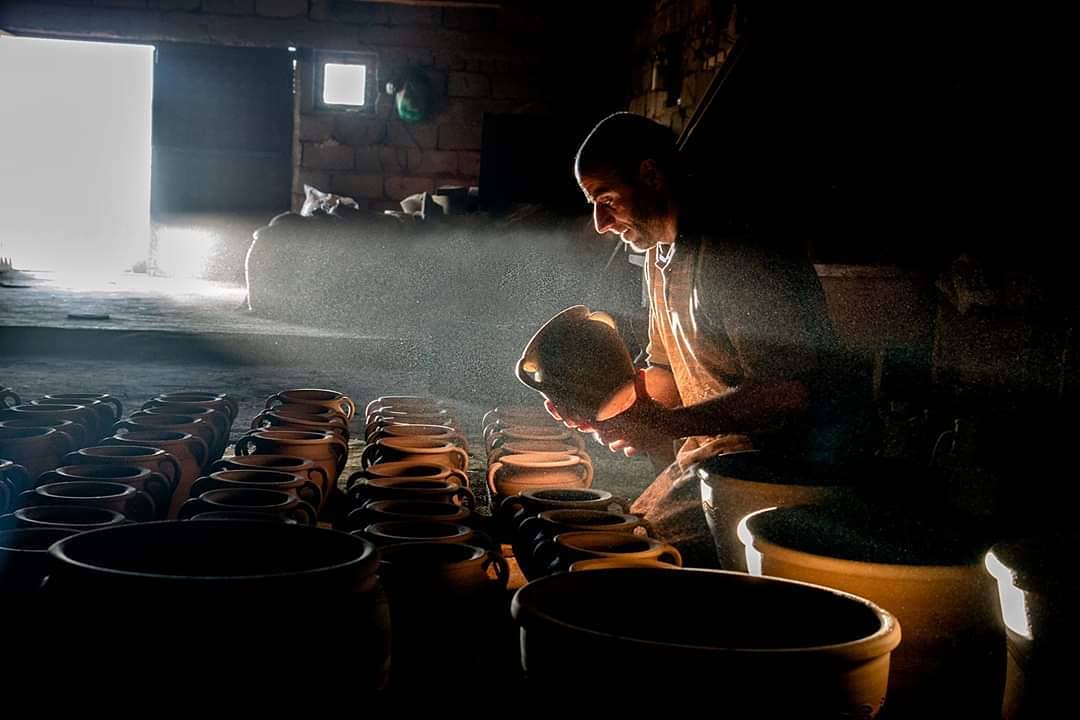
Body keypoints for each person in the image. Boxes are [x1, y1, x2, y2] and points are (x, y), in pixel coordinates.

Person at [545, 111, 859, 567]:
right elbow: (669, 373)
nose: (600, 222)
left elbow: (788, 394)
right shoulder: (657, 255)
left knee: (624, 556)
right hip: (709, 460)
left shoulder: (739, 252)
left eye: (607, 199)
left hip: (778, 476)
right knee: (596, 534)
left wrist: (665, 426)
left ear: (650, 175)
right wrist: (610, 409)